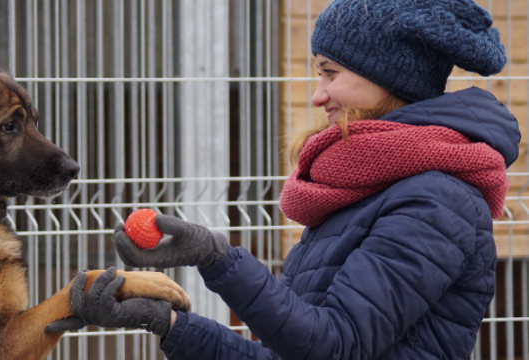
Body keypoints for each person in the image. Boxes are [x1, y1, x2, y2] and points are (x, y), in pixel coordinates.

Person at [45, 0, 521, 358]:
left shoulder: (436, 200)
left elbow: (334, 345)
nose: (318, 95)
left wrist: (218, 259)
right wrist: (165, 323)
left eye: (330, 73)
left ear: (387, 77)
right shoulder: (370, 188)